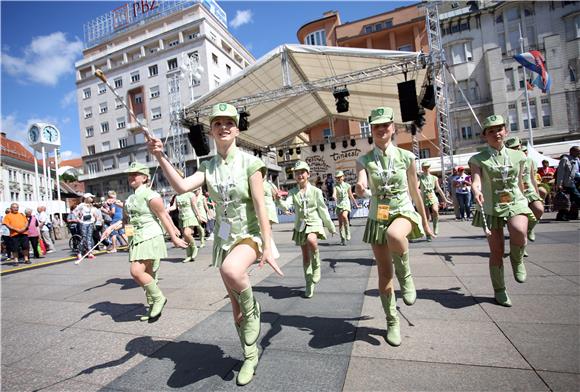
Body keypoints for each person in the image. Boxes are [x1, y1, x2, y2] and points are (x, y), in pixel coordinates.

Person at [147, 102, 283, 386]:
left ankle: (254, 309)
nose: (224, 127)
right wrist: (161, 157)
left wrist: (268, 245)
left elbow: (261, 205)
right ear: (211, 131)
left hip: (250, 233)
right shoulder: (208, 166)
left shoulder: (251, 163)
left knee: (233, 271)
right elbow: (182, 187)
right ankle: (250, 355)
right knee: (236, 312)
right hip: (224, 238)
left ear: (236, 129)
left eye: (229, 123)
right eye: (218, 124)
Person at [355, 107, 433, 347]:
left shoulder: (407, 157)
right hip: (378, 216)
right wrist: (360, 186)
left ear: (393, 128)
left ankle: (406, 275)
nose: (381, 129)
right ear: (371, 129)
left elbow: (415, 190)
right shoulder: (364, 160)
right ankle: (392, 321)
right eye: (376, 125)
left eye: (386, 124)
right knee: (384, 276)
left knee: (395, 234)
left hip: (402, 211)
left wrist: (426, 221)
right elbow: (361, 180)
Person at [101, 162, 187, 323]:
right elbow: (128, 222)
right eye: (129, 174)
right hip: (137, 239)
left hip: (150, 235)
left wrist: (174, 237)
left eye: (135, 174)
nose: (131, 177)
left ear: (145, 177)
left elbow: (163, 217)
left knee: (136, 271)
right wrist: (115, 229)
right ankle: (153, 307)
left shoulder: (152, 196)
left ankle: (159, 298)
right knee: (149, 275)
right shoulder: (129, 199)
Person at [469, 115, 536, 307]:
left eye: (499, 129)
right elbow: (476, 180)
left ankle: (517, 260)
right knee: (496, 250)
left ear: (505, 131)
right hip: (491, 207)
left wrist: (529, 197)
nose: (496, 133)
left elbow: (523, 182)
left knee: (519, 231)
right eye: (490, 131)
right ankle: (500, 290)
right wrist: (476, 190)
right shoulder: (477, 159)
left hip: (515, 201)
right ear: (484, 136)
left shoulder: (519, 156)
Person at [279, 161, 336, 298]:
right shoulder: (293, 192)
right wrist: (279, 200)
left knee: (312, 240)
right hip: (300, 225)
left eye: (302, 172)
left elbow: (322, 210)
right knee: (305, 256)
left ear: (308, 174)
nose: (299, 175)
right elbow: (286, 206)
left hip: (314, 223)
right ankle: (309, 282)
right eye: (297, 173)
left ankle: (317, 266)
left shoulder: (316, 191)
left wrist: (330, 226)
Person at [505, 137, 544, 241]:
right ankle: (520, 249)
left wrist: (537, 194)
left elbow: (532, 178)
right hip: (514, 192)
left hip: (528, 190)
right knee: (517, 226)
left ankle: (529, 229)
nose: (515, 150)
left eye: (517, 147)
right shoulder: (507, 161)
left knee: (539, 209)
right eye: (512, 148)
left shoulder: (528, 160)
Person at [418, 162, 451, 241]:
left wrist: (445, 199)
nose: (426, 169)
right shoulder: (420, 178)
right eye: (424, 167)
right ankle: (428, 234)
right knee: (426, 217)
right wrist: (417, 193)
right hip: (424, 198)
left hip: (432, 196)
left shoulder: (434, 178)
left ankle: (435, 226)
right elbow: (416, 187)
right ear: (422, 168)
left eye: (428, 167)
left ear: (430, 168)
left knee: (435, 210)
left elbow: (438, 189)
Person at [173, 187, 201, 263]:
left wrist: (199, 216)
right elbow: (174, 207)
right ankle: (189, 255)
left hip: (190, 216)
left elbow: (194, 206)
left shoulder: (191, 194)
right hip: (181, 218)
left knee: (187, 233)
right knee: (185, 237)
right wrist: (166, 209)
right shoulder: (177, 196)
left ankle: (194, 247)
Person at [332, 170, 358, 245]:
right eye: (337, 177)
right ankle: (342, 238)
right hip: (339, 204)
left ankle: (348, 233)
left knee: (344, 216)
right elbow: (334, 193)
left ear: (343, 177)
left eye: (340, 177)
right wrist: (334, 197)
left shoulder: (347, 185)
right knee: (340, 223)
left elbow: (351, 196)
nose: (339, 179)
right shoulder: (335, 186)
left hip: (346, 203)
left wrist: (356, 204)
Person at [555, 146, 580, 220]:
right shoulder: (565, 160)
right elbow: (560, 173)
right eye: (577, 151)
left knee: (570, 199)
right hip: (568, 182)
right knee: (577, 197)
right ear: (572, 151)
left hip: (577, 181)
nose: (579, 152)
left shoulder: (577, 159)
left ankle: (566, 215)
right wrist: (559, 184)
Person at [73, 194, 99, 259]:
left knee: (89, 238)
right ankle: (79, 252)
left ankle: (89, 252)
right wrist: (78, 218)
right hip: (83, 223)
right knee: (84, 238)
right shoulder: (82, 205)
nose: (92, 198)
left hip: (90, 223)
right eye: (90, 197)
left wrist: (95, 219)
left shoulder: (91, 205)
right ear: (86, 198)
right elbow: (74, 211)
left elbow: (93, 213)